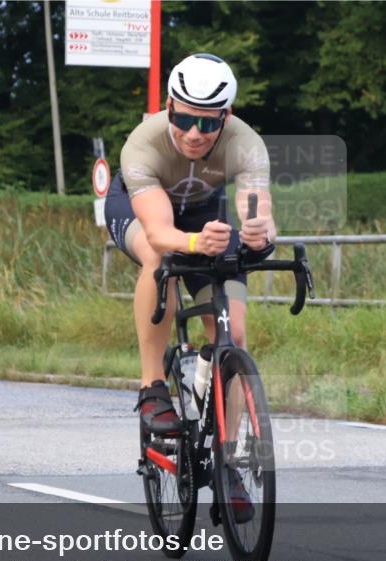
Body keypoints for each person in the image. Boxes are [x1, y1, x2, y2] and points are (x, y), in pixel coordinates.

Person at [105, 53, 275, 437]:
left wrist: (258, 232)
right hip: (142, 212)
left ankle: (229, 457)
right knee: (160, 256)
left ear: (226, 117)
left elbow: (256, 209)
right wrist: (196, 242)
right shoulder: (142, 144)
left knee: (236, 335)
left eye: (207, 122)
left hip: (203, 212)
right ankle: (153, 387)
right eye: (183, 119)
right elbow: (159, 230)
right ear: (168, 108)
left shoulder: (246, 144)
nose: (194, 133)